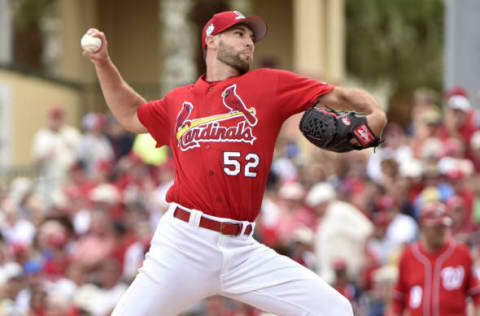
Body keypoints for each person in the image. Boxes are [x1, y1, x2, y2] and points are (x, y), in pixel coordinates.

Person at [83, 10, 386, 316]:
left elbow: (338, 94)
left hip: (242, 249)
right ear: (211, 40)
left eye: (251, 37)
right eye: (239, 34)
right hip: (184, 244)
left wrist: (376, 112)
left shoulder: (269, 84)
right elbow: (132, 115)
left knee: (335, 309)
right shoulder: (179, 100)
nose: (249, 43)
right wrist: (103, 63)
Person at [391, 202, 480, 316]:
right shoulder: (408, 256)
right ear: (423, 226)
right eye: (435, 226)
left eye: (443, 226)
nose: (440, 231)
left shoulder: (462, 253)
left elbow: (477, 293)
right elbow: (398, 300)